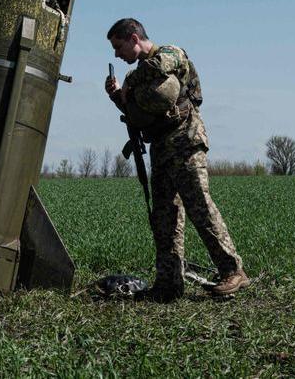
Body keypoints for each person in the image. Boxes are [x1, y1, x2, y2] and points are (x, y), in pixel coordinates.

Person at [104, 17, 249, 301]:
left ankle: (233, 271)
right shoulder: (139, 77)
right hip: (161, 145)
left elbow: (158, 67)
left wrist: (130, 83)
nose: (117, 55)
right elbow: (137, 112)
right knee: (164, 217)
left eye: (119, 47)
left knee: (199, 207)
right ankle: (169, 284)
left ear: (134, 38)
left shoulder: (170, 53)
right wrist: (118, 97)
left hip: (185, 140)